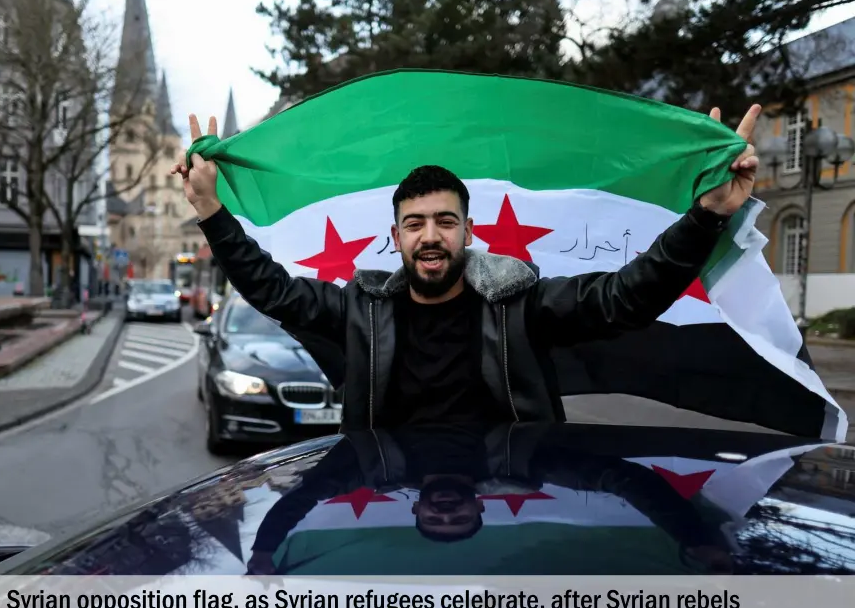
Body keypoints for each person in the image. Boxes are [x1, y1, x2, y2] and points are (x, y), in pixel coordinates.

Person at [174, 106, 761, 432]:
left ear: (468, 231)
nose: (431, 236)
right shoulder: (362, 308)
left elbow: (624, 297)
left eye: (445, 222)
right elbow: (272, 289)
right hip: (383, 503)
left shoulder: (521, 304)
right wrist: (210, 210)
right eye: (415, 223)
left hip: (514, 508)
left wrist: (706, 215)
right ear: (396, 237)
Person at [245, 421, 733, 575]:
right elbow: (619, 479)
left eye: (435, 520)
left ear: (415, 507)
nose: (445, 511)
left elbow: (306, 495)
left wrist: (264, 552)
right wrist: (696, 540)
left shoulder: (375, 468)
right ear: (481, 505)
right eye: (458, 519)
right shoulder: (520, 463)